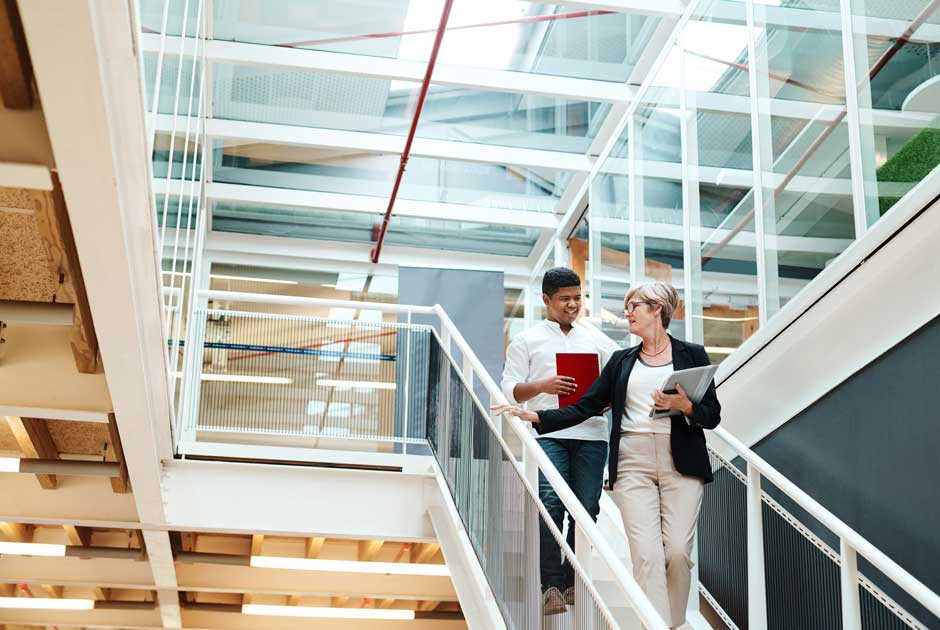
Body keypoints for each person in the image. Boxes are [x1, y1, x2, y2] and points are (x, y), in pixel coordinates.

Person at [494, 282, 720, 629]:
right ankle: (656, 625)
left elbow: (712, 415)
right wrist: (539, 416)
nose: (627, 313)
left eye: (633, 306)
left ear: (657, 309)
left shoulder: (693, 355)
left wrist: (684, 405)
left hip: (682, 462)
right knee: (645, 555)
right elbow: (587, 405)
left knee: (676, 553)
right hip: (632, 461)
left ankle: (673, 622)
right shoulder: (621, 361)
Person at [500, 267, 621, 616]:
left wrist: (607, 397)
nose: (572, 305)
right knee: (550, 504)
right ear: (546, 300)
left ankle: (573, 581)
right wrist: (543, 386)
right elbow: (510, 390)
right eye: (565, 299)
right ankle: (550, 585)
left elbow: (619, 378)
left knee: (585, 509)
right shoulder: (527, 340)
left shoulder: (597, 340)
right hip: (548, 434)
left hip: (591, 435)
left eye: (577, 298)